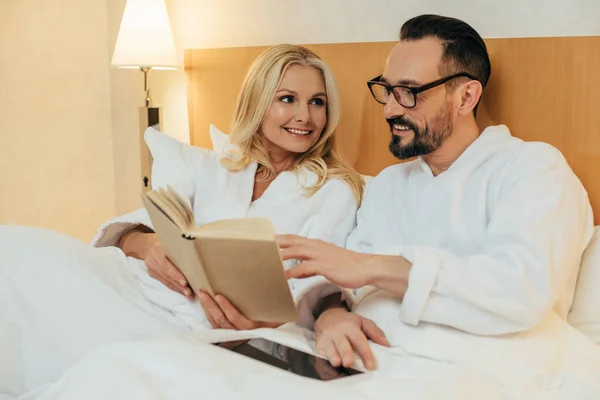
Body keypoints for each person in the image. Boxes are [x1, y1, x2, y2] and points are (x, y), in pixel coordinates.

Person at [0, 44, 364, 395]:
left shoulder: (335, 190)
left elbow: (323, 283)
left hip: (192, 322)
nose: (305, 116)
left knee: (97, 362)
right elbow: (133, 229)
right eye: (288, 99)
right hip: (136, 285)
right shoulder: (212, 165)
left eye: (318, 102)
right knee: (16, 254)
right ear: (257, 103)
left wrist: (265, 323)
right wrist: (150, 244)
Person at [277, 13, 600, 386]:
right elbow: (347, 281)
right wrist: (331, 313)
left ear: (466, 97)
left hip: (477, 373)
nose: (391, 109)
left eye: (410, 92)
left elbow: (519, 290)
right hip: (364, 362)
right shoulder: (388, 184)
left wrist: (374, 267)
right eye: (387, 89)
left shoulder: (532, 168)